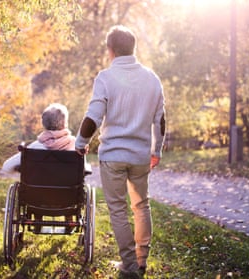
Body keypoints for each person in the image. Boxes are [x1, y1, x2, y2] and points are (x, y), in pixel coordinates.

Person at [75, 25, 166, 278]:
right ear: (133, 48)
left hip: (113, 156)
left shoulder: (105, 77)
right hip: (139, 156)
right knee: (141, 205)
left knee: (117, 209)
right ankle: (141, 261)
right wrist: (155, 149)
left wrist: (81, 143)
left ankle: (129, 265)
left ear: (111, 50)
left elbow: (93, 116)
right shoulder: (152, 78)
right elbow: (160, 120)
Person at [1, 103, 75, 174]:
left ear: (44, 124)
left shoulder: (35, 147)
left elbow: (6, 167)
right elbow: (83, 170)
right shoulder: (74, 145)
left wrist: (21, 168)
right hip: (68, 186)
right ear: (65, 124)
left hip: (36, 186)